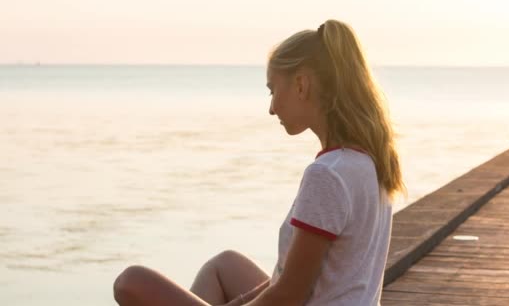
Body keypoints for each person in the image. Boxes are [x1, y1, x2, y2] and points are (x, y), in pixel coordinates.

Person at [113, 19, 405, 306]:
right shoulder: (368, 161)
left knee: (131, 281)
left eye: (273, 89)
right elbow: (294, 277)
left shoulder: (327, 175)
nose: (271, 107)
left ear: (301, 85)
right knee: (224, 266)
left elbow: (288, 296)